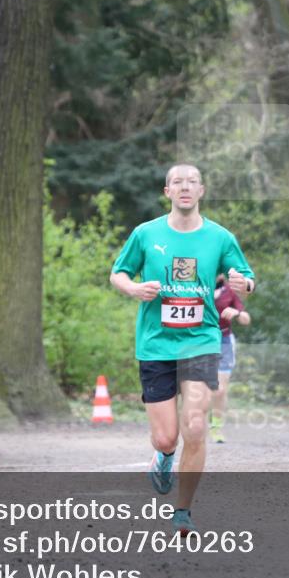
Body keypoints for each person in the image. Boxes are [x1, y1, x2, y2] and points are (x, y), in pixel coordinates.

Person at [109, 163, 255, 535]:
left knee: (196, 425)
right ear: (168, 191)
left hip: (201, 342)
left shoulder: (220, 237)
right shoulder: (146, 233)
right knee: (166, 437)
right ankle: (163, 456)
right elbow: (118, 273)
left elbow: (245, 276)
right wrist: (134, 289)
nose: (185, 187)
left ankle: (183, 511)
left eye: (192, 182)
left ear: (201, 191)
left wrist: (244, 284)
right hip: (156, 344)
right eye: (178, 182)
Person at [209, 273, 251, 444]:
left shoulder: (229, 291)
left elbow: (246, 319)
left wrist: (236, 312)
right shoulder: (197, 287)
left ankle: (216, 427)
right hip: (199, 341)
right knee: (194, 388)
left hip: (224, 341)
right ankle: (192, 425)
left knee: (220, 390)